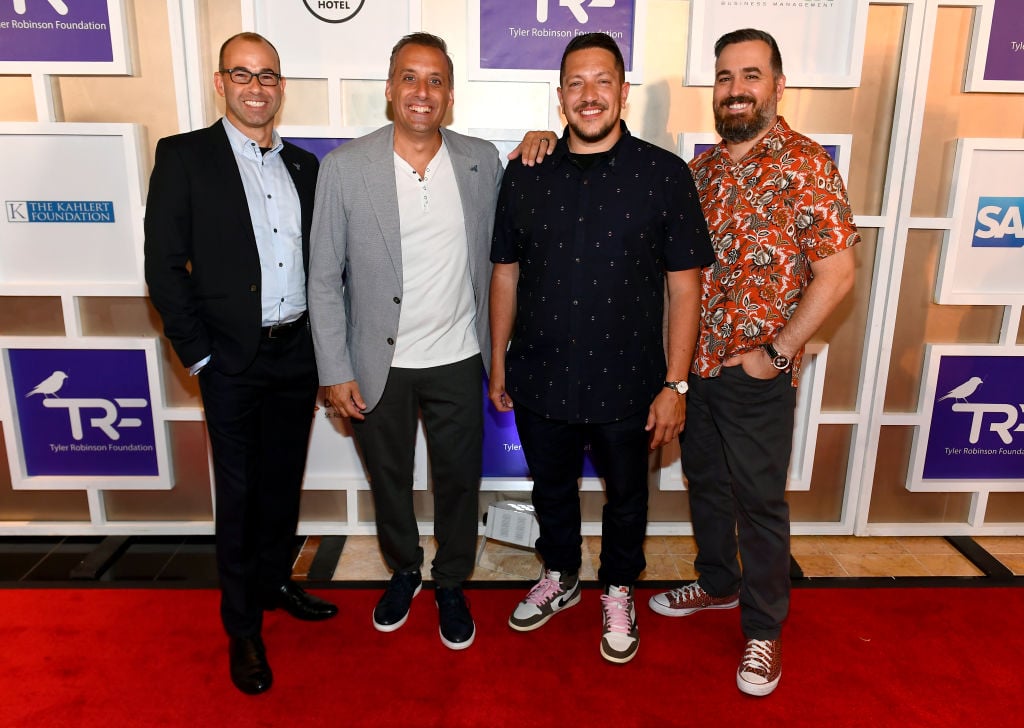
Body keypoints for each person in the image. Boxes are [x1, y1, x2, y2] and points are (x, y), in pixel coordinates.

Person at [490, 32, 714, 665]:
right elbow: (504, 272)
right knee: (551, 492)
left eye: (602, 82)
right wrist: (500, 362)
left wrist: (676, 384)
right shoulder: (525, 172)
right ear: (560, 96)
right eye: (576, 84)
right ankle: (560, 575)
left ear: (623, 90)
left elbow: (684, 285)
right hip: (540, 375)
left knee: (627, 499)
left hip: (631, 383)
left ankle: (618, 588)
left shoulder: (664, 174)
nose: (589, 96)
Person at [647, 28, 859, 696]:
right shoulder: (701, 171)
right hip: (698, 371)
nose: (735, 90)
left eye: (750, 76)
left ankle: (764, 630)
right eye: (725, 77)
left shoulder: (805, 164)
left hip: (756, 375)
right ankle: (716, 584)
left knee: (760, 503)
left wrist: (777, 353)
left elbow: (838, 273)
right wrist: (675, 371)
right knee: (706, 486)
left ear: (777, 85)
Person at [144, 32, 337, 696]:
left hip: (297, 353)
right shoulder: (184, 157)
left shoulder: (307, 167)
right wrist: (200, 354)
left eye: (269, 76)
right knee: (242, 494)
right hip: (231, 359)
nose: (257, 87)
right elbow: (163, 269)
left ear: (281, 87)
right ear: (221, 82)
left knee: (283, 482)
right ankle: (242, 625)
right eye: (243, 74)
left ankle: (278, 581)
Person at [307, 32, 502, 651]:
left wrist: (538, 141)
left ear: (450, 94)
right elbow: (322, 278)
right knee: (387, 478)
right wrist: (334, 368)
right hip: (376, 360)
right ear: (390, 90)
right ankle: (404, 570)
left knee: (458, 480)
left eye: (436, 80)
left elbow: (506, 255)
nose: (423, 91)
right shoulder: (345, 166)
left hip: (458, 354)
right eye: (410, 78)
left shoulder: (481, 162)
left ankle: (450, 581)